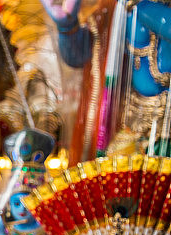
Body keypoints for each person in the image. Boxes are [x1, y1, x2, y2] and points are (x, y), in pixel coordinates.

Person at [41, 0, 171, 160]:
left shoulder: (140, 8)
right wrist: (67, 26)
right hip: (133, 129)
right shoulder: (120, 8)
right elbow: (85, 56)